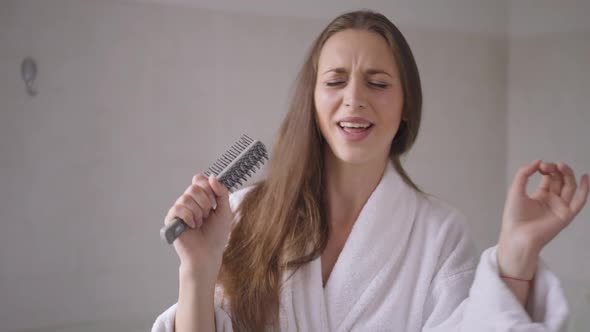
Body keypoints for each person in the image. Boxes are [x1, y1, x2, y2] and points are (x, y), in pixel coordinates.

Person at [152, 10, 589, 332]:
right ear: (313, 102)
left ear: (405, 108)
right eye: (335, 81)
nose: (355, 99)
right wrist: (198, 267)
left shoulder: (438, 233)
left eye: (378, 83)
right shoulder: (244, 213)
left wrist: (516, 251)